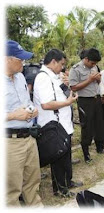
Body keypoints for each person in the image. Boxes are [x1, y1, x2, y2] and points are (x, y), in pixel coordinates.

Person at [33, 49, 82, 198]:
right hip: (52, 125)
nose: (62, 67)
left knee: (65, 155)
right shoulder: (43, 78)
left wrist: (68, 87)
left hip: (63, 124)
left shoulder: (55, 76)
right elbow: (46, 104)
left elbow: (67, 95)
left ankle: (68, 181)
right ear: (53, 62)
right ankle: (60, 189)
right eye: (61, 64)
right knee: (58, 157)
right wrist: (67, 102)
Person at [5, 40, 42, 206]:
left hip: (29, 138)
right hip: (10, 143)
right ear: (6, 60)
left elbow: (27, 101)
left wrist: (32, 110)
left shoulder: (20, 77)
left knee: (33, 182)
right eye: (20, 59)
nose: (23, 62)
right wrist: (13, 115)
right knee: (10, 190)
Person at [69, 48, 104, 163]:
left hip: (96, 99)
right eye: (92, 63)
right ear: (86, 59)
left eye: (95, 63)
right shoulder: (75, 69)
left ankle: (100, 148)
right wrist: (90, 80)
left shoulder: (94, 67)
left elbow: (99, 82)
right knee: (87, 127)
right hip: (85, 101)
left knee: (99, 124)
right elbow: (74, 87)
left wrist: (98, 79)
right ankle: (86, 154)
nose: (94, 65)